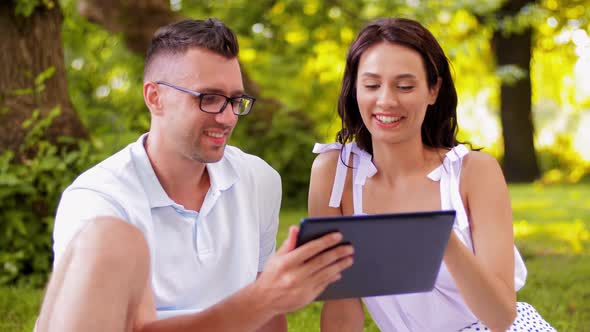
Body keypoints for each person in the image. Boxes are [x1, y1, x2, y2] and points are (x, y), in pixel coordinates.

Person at [36, 18, 354, 332]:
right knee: (110, 236)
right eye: (209, 98)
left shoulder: (259, 180)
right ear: (154, 98)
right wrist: (263, 299)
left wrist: (266, 301)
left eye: (235, 100)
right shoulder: (99, 200)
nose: (228, 117)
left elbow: (266, 320)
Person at [309, 17, 555, 331]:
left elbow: (500, 316)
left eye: (405, 86)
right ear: (355, 88)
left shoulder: (473, 172)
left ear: (433, 90)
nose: (386, 100)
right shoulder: (334, 173)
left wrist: (440, 237)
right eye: (371, 85)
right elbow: (342, 304)